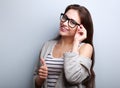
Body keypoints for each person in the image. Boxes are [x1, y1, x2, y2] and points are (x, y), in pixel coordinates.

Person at [33, 4, 95, 88]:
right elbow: (36, 82)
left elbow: (73, 78)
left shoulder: (86, 48)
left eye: (72, 22)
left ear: (81, 28)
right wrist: (40, 79)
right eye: (65, 18)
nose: (64, 23)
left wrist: (76, 42)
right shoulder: (47, 45)